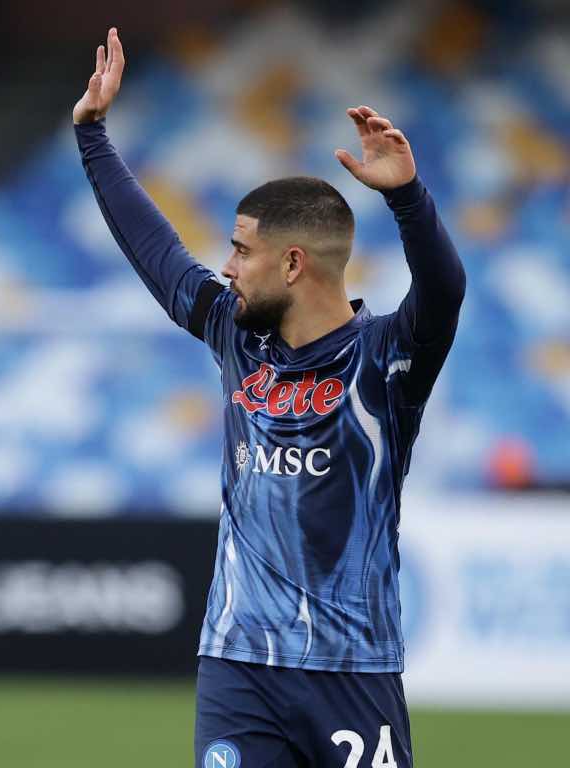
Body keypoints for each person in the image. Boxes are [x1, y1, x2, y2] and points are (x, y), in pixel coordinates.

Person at [73, 27, 465, 768]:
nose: (225, 267)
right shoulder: (237, 338)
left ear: (291, 263)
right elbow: (158, 256)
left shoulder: (385, 361)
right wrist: (93, 135)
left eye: (241, 250)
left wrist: (408, 200)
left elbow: (445, 292)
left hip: (353, 673)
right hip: (238, 663)